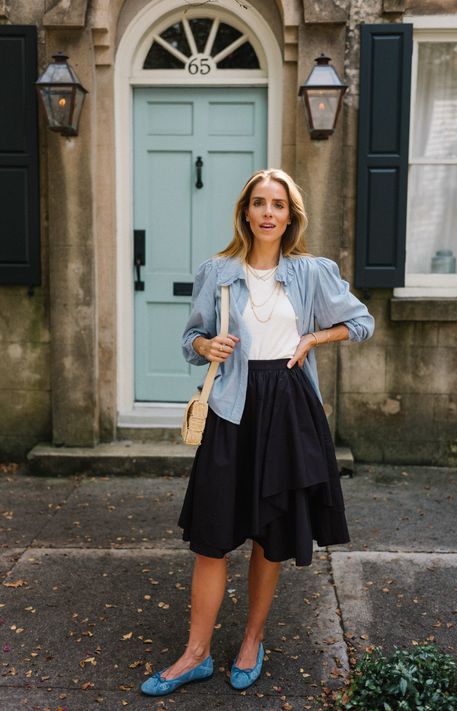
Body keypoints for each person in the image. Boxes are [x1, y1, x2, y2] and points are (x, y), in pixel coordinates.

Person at [140, 169, 375, 697]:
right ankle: (196, 653)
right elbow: (190, 337)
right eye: (259, 203)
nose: (269, 212)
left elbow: (362, 323)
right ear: (245, 212)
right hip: (231, 408)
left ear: (291, 215)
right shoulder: (217, 271)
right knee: (212, 540)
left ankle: (252, 640)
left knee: (271, 538)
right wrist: (206, 348)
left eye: (279, 204)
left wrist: (314, 336)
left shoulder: (313, 271)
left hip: (289, 407)